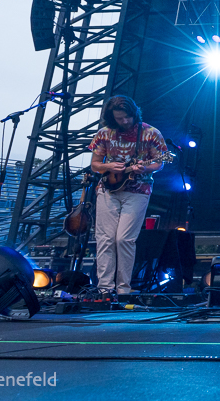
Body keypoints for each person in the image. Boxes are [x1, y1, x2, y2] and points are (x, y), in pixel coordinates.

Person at [89, 95, 169, 298]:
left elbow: (159, 163)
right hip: (108, 189)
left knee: (124, 239)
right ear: (111, 117)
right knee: (105, 239)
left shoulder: (151, 133)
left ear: (134, 113)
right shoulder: (104, 134)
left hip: (138, 190)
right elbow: (95, 164)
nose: (124, 122)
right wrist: (108, 166)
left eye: (127, 117)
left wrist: (145, 168)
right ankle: (105, 289)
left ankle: (123, 288)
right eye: (119, 118)